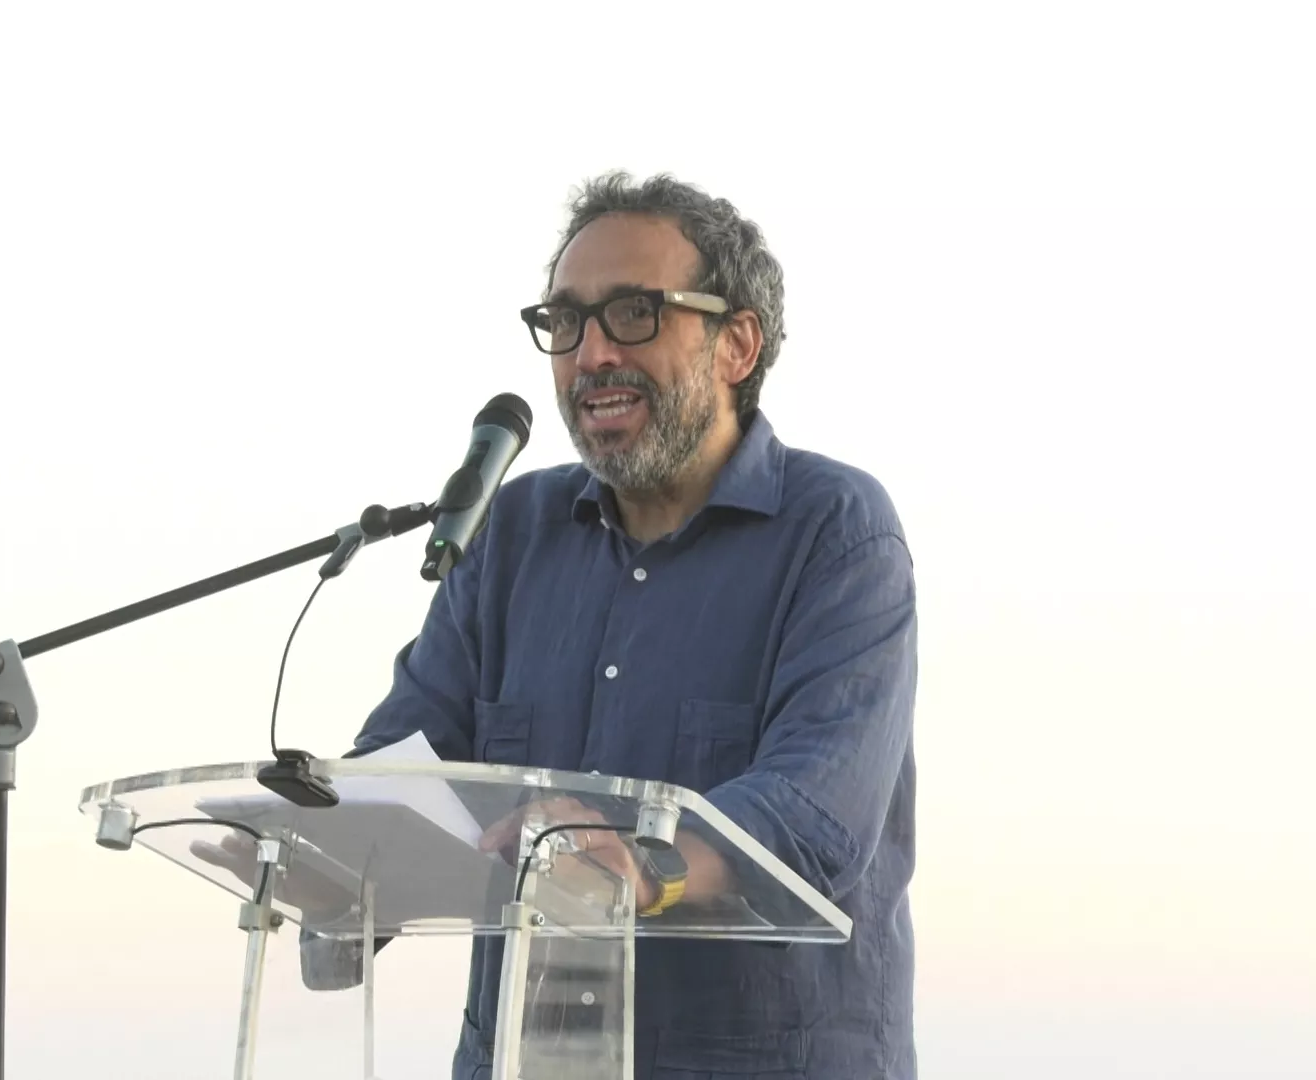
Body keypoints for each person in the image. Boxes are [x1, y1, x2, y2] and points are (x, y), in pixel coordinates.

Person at [314, 172, 918, 1078]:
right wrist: (323, 846)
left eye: (633, 313)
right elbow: (412, 765)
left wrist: (637, 859)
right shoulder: (510, 533)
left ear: (737, 343)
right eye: (565, 322)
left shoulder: (837, 531)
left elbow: (814, 816)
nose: (591, 352)